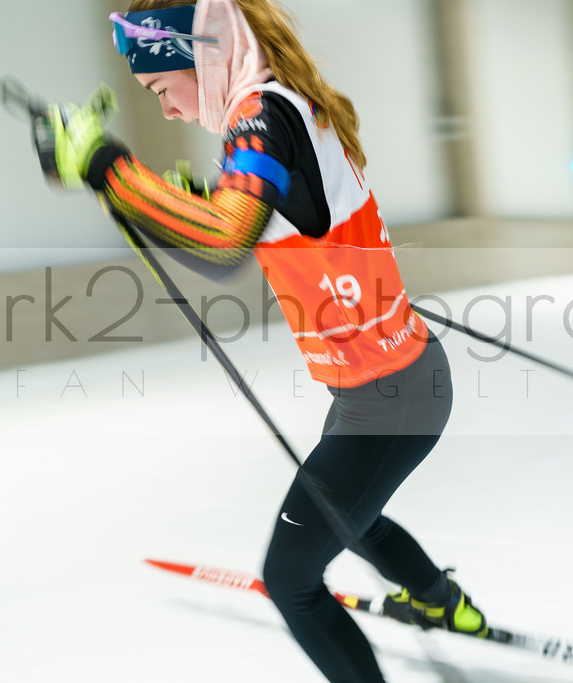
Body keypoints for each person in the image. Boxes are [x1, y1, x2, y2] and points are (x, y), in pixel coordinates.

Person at [39, 1, 488, 680]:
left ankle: (439, 605)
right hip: (387, 382)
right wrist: (164, 197)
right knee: (349, 514)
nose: (167, 111)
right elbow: (234, 229)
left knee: (291, 580)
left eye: (162, 90)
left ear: (198, 57)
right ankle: (445, 604)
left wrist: (106, 165)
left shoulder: (260, 114)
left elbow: (222, 242)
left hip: (389, 392)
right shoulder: (279, 105)